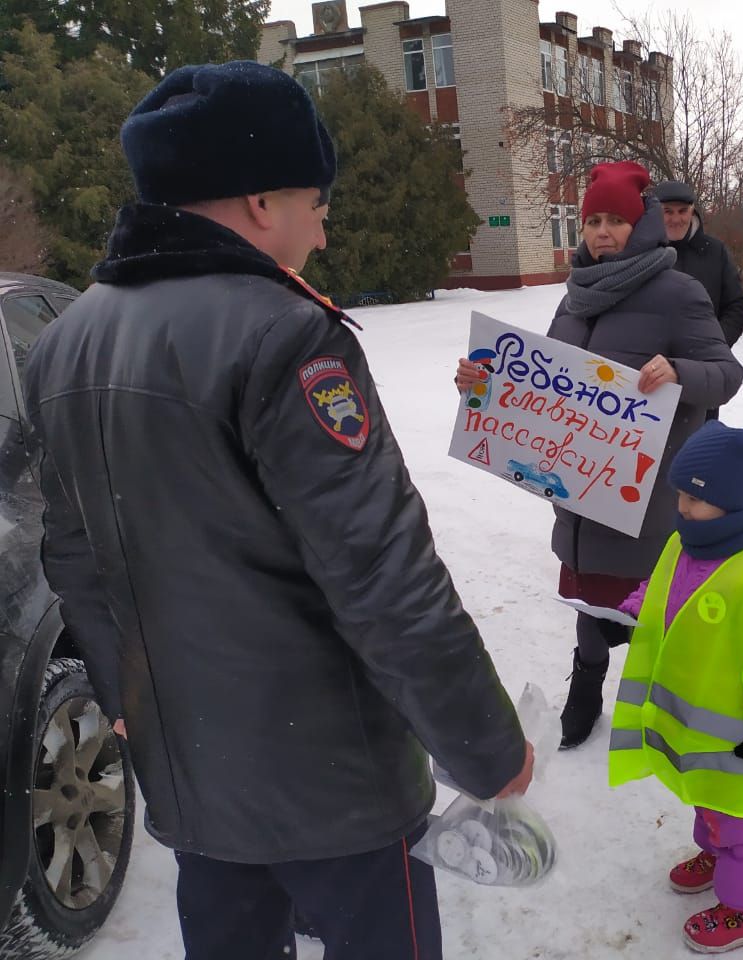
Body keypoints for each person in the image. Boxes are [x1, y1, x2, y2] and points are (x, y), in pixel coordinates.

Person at [24, 61, 533, 960]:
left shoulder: (64, 341)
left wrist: (126, 700)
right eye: (318, 204)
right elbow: (382, 575)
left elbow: (72, 556)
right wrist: (486, 745)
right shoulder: (286, 335)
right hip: (336, 788)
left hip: (194, 779)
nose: (324, 232)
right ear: (262, 202)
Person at [455, 162, 743, 749]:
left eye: (615, 219)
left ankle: (666, 708)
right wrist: (485, 385)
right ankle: (586, 691)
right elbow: (550, 389)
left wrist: (680, 372)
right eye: (592, 220)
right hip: (579, 491)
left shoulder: (678, 291)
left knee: (651, 612)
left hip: (647, 494)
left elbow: (727, 373)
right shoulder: (575, 298)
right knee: (589, 603)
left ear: (639, 225)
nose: (601, 231)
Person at [607, 420, 743, 953]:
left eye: (694, 500)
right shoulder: (688, 546)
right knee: (708, 798)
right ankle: (715, 856)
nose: (682, 509)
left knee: (742, 819)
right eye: (679, 495)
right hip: (702, 730)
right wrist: (628, 612)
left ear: (730, 502)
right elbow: (662, 592)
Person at [651, 182, 743, 419]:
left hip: (702, 378)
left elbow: (737, 304)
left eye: (682, 211)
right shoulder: (644, 254)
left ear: (692, 210)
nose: (676, 219)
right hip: (651, 377)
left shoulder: (715, 252)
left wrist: (713, 346)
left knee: (699, 449)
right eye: (668, 212)